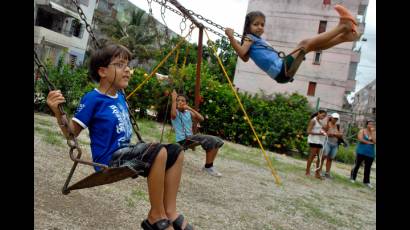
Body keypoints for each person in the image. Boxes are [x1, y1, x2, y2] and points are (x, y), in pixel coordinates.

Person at [46, 44, 193, 230]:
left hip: (127, 151)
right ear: (102, 72)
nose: (128, 70)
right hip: (109, 160)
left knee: (176, 151)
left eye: (128, 65)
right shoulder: (93, 99)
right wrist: (57, 112)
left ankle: (170, 211)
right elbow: (71, 133)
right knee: (159, 152)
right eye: (120, 65)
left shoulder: (120, 95)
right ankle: (155, 215)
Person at [225, 4, 361, 84]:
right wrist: (231, 37)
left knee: (310, 46)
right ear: (248, 27)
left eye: (262, 24)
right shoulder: (249, 38)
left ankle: (343, 37)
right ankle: (342, 27)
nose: (260, 27)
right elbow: (243, 54)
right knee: (304, 44)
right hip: (280, 69)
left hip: (281, 73)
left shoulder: (255, 40)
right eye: (256, 24)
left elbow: (245, 57)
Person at [170, 90, 224, 177]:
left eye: (182, 100)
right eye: (178, 100)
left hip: (191, 137)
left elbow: (201, 119)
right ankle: (208, 167)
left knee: (218, 141)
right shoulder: (175, 112)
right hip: (184, 140)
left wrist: (189, 108)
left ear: (186, 103)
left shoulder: (188, 113)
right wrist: (173, 100)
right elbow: (173, 115)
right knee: (210, 140)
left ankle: (210, 165)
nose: (180, 102)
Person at [350, 120, 376, 188]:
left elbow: (375, 141)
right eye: (369, 124)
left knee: (368, 168)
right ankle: (352, 178)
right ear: (367, 124)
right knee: (357, 165)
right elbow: (360, 139)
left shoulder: (374, 133)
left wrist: (373, 133)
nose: (371, 125)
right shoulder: (362, 131)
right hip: (361, 151)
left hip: (370, 153)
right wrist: (369, 143)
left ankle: (366, 181)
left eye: (372, 124)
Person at [319, 113, 343, 179]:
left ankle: (327, 173)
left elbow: (341, 134)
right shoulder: (327, 124)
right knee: (324, 156)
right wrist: (334, 134)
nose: (335, 119)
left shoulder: (337, 126)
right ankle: (319, 170)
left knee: (331, 158)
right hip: (327, 142)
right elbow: (324, 132)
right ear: (331, 117)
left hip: (335, 144)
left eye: (337, 119)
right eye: (334, 118)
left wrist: (334, 134)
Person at [306, 110, 328, 179]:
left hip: (320, 141)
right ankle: (307, 171)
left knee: (319, 157)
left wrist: (323, 131)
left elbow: (324, 129)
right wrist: (319, 134)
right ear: (318, 113)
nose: (323, 117)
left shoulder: (320, 122)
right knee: (312, 156)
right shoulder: (313, 121)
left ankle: (317, 173)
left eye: (324, 116)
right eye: (323, 115)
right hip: (313, 140)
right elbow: (308, 132)